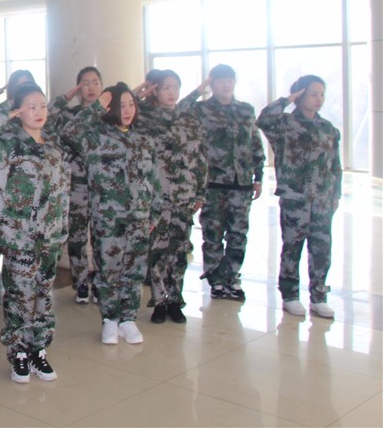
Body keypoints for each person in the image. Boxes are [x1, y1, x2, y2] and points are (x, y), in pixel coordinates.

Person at [0, 82, 69, 383]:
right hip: (20, 239)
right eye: (30, 106)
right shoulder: (6, 149)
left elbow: (62, 194)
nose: (39, 111)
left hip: (49, 238)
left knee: (44, 297)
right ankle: (18, 353)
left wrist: (62, 228)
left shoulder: (53, 149)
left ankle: (39, 350)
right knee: (18, 298)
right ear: (18, 111)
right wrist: (4, 112)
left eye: (42, 105)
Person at [61, 83, 160, 346]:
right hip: (108, 218)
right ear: (108, 108)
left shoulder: (144, 140)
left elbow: (154, 180)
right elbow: (68, 131)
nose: (127, 110)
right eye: (120, 105)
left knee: (134, 271)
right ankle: (109, 320)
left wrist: (154, 214)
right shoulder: (95, 138)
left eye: (131, 104)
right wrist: (94, 109)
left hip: (139, 217)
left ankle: (128, 319)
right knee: (108, 271)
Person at [257, 75, 341, 319]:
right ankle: (290, 295)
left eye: (322, 94)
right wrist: (287, 99)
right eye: (313, 93)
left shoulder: (327, 128)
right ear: (301, 94)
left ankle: (319, 296)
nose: (319, 99)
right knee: (292, 247)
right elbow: (263, 119)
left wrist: (335, 194)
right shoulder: (284, 124)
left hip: (323, 200)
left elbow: (335, 165)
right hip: (296, 199)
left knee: (322, 248)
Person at [179, 64, 265, 301]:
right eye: (220, 81)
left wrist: (259, 177)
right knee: (213, 234)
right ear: (212, 84)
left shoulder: (246, 110)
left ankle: (232, 277)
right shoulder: (201, 110)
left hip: (242, 183)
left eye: (229, 80)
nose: (225, 85)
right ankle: (216, 280)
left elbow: (255, 144)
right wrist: (200, 88)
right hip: (213, 183)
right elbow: (179, 111)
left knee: (238, 234)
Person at [136, 70, 208, 324]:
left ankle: (175, 300)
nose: (172, 92)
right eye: (166, 87)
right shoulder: (145, 119)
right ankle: (158, 300)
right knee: (156, 251)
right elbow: (119, 110)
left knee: (178, 251)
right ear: (155, 90)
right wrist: (139, 93)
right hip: (156, 198)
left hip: (183, 197)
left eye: (176, 87)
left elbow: (200, 159)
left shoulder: (190, 120)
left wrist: (200, 192)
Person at [46, 66, 102, 304]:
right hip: (76, 184)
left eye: (95, 82)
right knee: (78, 236)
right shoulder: (70, 114)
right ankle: (80, 283)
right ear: (79, 87)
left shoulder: (109, 114)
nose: (91, 87)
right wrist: (66, 96)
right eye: (85, 83)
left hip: (103, 185)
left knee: (102, 235)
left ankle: (100, 283)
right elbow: (47, 115)